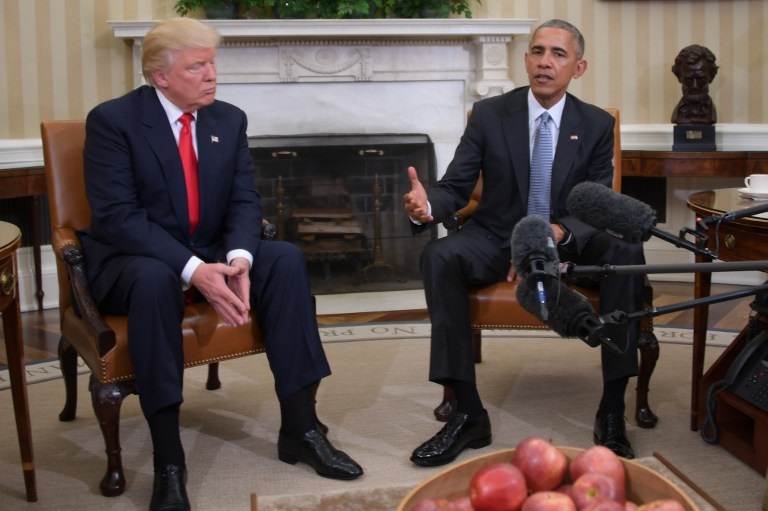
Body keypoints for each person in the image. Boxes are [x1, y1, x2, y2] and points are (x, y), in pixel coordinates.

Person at [81, 17, 363, 511]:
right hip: (134, 261)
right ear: (160, 76)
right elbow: (118, 218)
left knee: (287, 260)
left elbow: (243, 201)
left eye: (213, 63)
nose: (212, 74)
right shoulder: (113, 121)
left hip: (211, 249)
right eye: (197, 66)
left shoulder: (227, 119)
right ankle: (170, 462)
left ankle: (300, 429)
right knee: (152, 280)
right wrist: (194, 269)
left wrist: (238, 259)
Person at [403, 19, 645, 466]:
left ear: (579, 67)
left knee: (627, 252)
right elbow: (455, 186)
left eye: (557, 54)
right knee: (440, 255)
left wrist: (554, 236)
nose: (544, 62)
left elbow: (597, 203)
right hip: (497, 234)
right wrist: (428, 206)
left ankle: (612, 409)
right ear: (526, 60)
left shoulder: (593, 124)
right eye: (537, 52)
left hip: (566, 237)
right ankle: (468, 413)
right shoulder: (491, 114)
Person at [671, 44, 719, 125]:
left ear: (711, 77)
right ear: (679, 77)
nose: (695, 86)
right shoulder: (677, 114)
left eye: (701, 79)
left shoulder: (710, 113)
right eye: (688, 80)